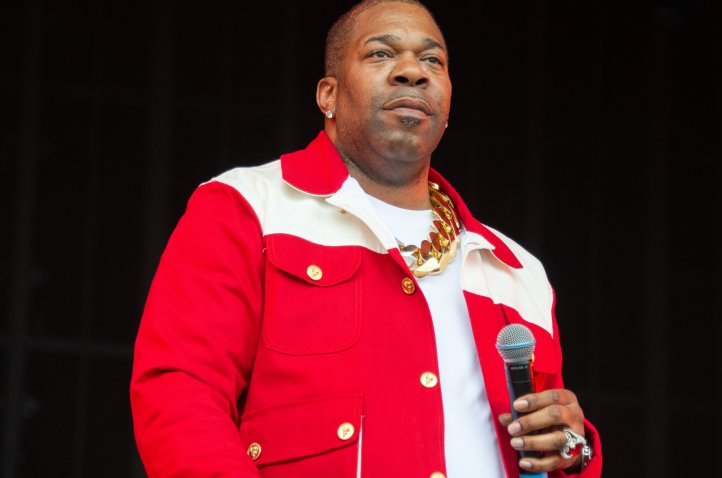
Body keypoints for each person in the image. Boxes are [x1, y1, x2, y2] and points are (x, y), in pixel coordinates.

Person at [129, 1, 602, 476]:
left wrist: (574, 449)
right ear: (328, 95)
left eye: (433, 60)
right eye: (380, 54)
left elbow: (554, 448)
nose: (412, 72)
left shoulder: (518, 270)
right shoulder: (247, 206)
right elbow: (180, 394)